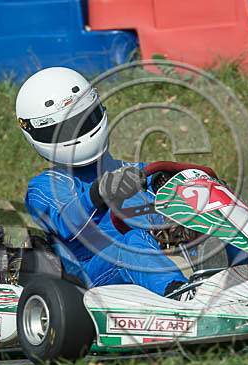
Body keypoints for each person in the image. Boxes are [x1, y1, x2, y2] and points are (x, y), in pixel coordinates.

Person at [18, 66, 192, 297]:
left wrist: (178, 188)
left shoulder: (133, 172)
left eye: (83, 121)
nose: (77, 134)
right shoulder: (45, 186)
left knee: (207, 225)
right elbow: (64, 222)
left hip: (155, 256)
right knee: (131, 242)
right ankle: (181, 298)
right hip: (92, 277)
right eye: (64, 131)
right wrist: (98, 192)